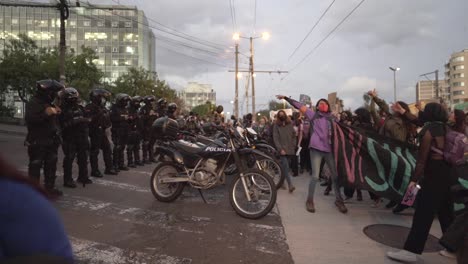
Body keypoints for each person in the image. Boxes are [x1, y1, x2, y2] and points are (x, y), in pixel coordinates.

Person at [387, 103, 454, 263]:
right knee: (446, 214)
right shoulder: (448, 128)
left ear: (429, 114)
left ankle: (411, 251)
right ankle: (453, 248)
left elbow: (422, 162)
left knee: (423, 215)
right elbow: (417, 120)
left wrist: (414, 180)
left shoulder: (428, 131)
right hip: (449, 175)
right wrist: (404, 112)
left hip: (433, 176)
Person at [277, 95, 348, 214]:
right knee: (315, 176)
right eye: (320, 103)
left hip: (329, 149)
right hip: (316, 149)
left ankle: (339, 200)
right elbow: (299, 106)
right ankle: (309, 201)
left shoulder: (332, 118)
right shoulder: (313, 115)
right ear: (317, 107)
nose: (322, 105)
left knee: (335, 176)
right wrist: (286, 98)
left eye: (324, 103)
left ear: (328, 106)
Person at [0, 156, 73, 263]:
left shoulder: (15, 198)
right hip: (39, 143)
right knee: (37, 165)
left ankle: (50, 185)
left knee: (50, 163)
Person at [368, 89, 415, 212]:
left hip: (400, 153)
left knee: (407, 179)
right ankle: (398, 200)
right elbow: (381, 107)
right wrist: (374, 97)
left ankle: (406, 202)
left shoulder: (400, 123)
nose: (392, 106)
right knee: (395, 177)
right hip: (391, 151)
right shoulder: (392, 117)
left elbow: (398, 139)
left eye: (396, 106)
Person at [25, 79, 64, 196]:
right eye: (53, 92)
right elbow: (31, 120)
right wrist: (46, 113)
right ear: (47, 92)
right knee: (35, 165)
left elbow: (54, 122)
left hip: (50, 140)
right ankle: (33, 192)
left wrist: (56, 113)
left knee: (51, 164)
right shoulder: (33, 103)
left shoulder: (48, 103)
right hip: (38, 140)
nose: (54, 95)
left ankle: (49, 188)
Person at [58, 87, 92, 188]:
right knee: (69, 158)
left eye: (75, 98)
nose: (74, 100)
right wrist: (75, 121)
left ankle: (83, 176)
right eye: (71, 98)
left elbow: (87, 117)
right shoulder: (62, 110)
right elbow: (62, 125)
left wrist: (86, 120)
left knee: (83, 157)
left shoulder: (80, 108)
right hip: (69, 137)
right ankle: (67, 179)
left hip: (81, 136)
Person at [85, 88, 117, 177]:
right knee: (94, 152)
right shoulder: (89, 107)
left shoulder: (102, 107)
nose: (103, 99)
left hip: (102, 131)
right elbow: (89, 120)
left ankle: (109, 168)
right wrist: (99, 113)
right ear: (96, 97)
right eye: (101, 97)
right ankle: (94, 171)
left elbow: (106, 119)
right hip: (94, 131)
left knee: (107, 149)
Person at [272, 110, 295, 193]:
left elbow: (293, 135)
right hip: (282, 150)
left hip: (290, 149)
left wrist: (294, 144)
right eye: (280, 115)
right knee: (286, 167)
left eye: (283, 114)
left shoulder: (290, 124)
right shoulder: (276, 125)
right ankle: (290, 185)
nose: (282, 116)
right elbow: (276, 138)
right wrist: (280, 149)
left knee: (285, 167)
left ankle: (281, 182)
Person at [111, 93, 131, 171]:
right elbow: (112, 119)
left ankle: (121, 164)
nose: (126, 103)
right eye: (124, 101)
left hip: (124, 130)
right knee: (117, 147)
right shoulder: (114, 108)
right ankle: (115, 165)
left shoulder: (125, 108)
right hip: (117, 130)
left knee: (122, 147)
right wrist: (123, 118)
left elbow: (127, 117)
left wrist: (129, 119)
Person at [127, 96, 143, 168]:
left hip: (137, 131)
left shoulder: (137, 110)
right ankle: (130, 162)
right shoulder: (129, 110)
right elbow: (129, 119)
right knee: (130, 147)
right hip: (130, 130)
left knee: (137, 146)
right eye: (137, 102)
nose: (138, 104)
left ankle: (137, 160)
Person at [140, 95, 157, 163]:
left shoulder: (152, 109)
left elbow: (154, 118)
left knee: (152, 143)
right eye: (151, 101)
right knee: (146, 143)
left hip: (152, 128)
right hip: (146, 128)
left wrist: (155, 115)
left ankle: (151, 157)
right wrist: (149, 115)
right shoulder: (143, 109)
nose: (153, 102)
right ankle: (145, 158)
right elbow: (141, 118)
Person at [290, 112, 303, 177]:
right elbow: (300, 135)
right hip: (295, 141)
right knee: (294, 156)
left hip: (295, 141)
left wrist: (298, 144)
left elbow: (300, 134)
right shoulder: (295, 123)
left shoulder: (298, 124)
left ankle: (295, 171)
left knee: (295, 157)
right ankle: (294, 170)